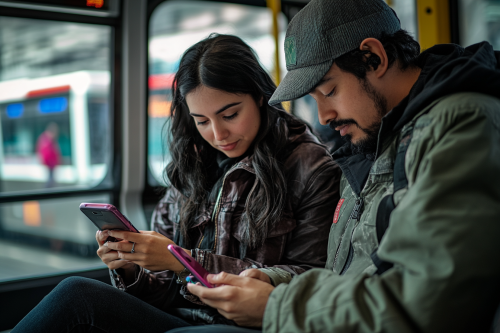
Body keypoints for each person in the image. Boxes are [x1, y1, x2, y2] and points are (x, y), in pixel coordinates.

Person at [169, 1, 500, 332]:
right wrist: (272, 282)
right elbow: (342, 275)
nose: (324, 116)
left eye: (329, 91)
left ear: (375, 58)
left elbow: (432, 301)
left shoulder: (459, 123)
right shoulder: (371, 142)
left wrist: (277, 306)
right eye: (314, 99)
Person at [11, 34, 341, 332]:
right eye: (201, 121)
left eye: (229, 115)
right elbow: (164, 288)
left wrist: (181, 259)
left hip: (246, 324)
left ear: (259, 97)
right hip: (182, 317)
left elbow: (312, 275)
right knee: (77, 292)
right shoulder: (193, 163)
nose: (217, 134)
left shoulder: (309, 166)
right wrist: (131, 268)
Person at [36, 122, 61, 188]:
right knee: (50, 181)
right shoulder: (46, 140)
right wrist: (50, 163)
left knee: (51, 180)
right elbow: (47, 154)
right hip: (50, 164)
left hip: (51, 164)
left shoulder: (47, 139)